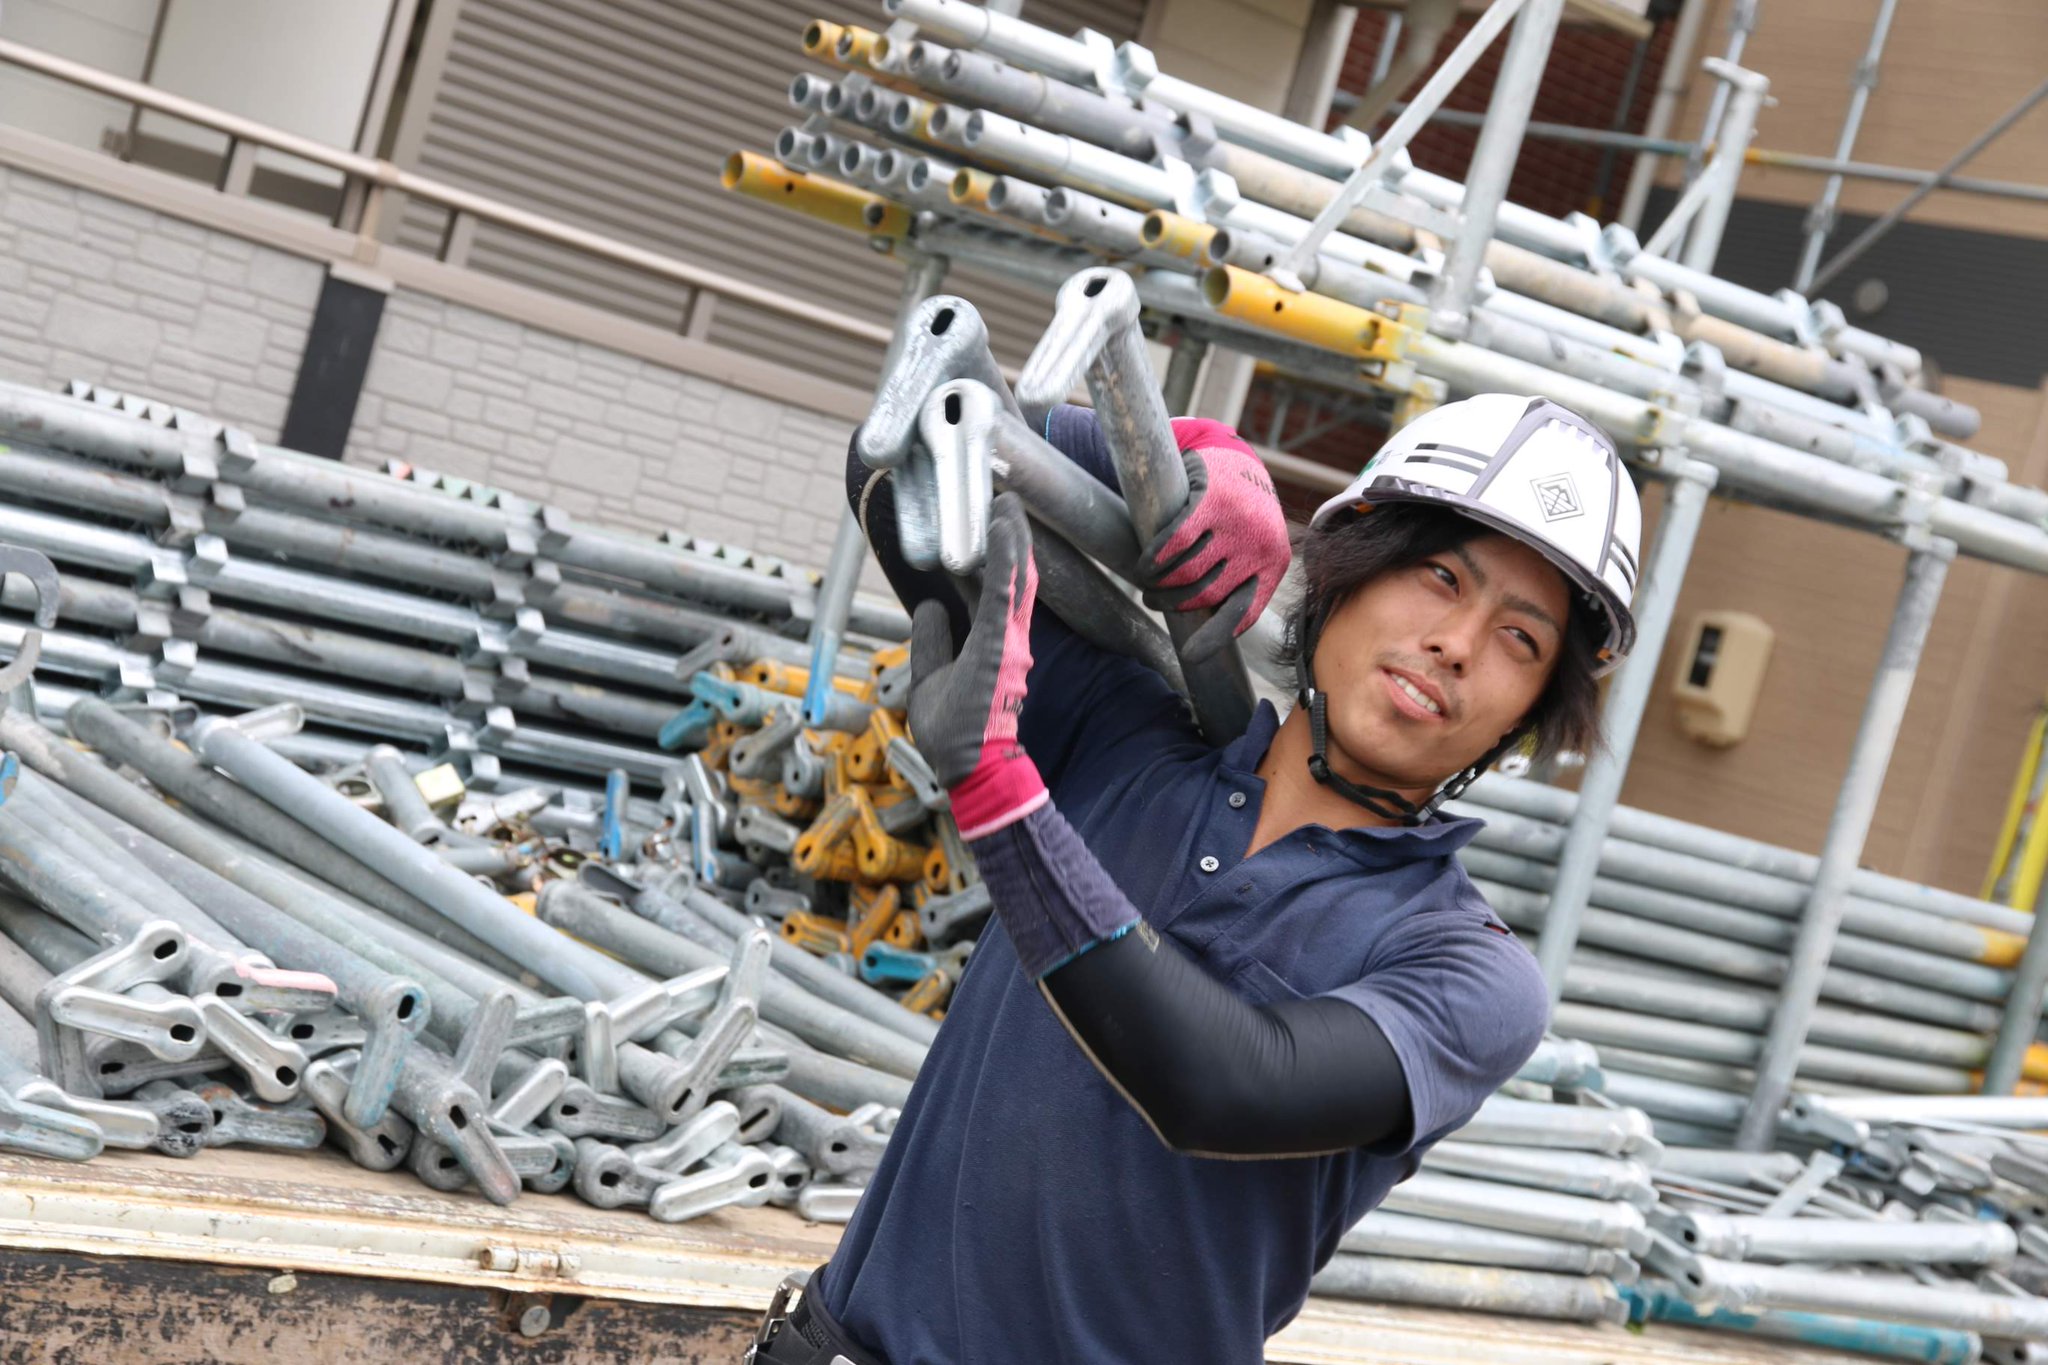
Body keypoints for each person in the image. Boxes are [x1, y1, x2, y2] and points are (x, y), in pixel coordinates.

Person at [748, 392, 1643, 1365]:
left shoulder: (1464, 970)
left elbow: (1219, 1085)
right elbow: (907, 449)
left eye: (1520, 639)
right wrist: (1189, 457)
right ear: (1345, 567)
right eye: (1437, 576)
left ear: (1524, 717)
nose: (1457, 644)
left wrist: (1001, 798)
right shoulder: (1119, 737)